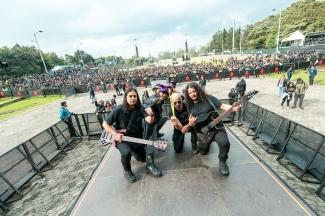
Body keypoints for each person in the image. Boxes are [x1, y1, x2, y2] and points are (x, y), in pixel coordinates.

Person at [185, 82, 241, 176]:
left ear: (198, 91)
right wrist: (191, 123)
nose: (192, 94)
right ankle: (201, 142)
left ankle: (222, 161)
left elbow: (223, 106)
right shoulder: (189, 105)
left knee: (225, 143)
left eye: (194, 91)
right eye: (190, 93)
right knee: (203, 153)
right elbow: (190, 120)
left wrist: (233, 108)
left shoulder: (209, 98)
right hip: (203, 132)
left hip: (217, 128)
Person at [102, 88, 155, 183]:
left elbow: (150, 121)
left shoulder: (140, 108)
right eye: (130, 96)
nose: (133, 98)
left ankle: (133, 151)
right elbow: (105, 123)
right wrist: (115, 134)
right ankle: (127, 170)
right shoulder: (118, 109)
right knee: (126, 152)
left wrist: (151, 114)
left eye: (135, 96)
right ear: (126, 97)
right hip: (122, 139)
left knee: (142, 159)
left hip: (136, 139)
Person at [143, 84, 173, 177]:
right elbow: (147, 101)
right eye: (162, 93)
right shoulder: (155, 98)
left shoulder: (163, 99)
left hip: (156, 120)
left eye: (165, 94)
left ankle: (156, 132)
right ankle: (149, 164)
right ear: (158, 92)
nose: (164, 95)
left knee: (164, 118)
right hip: (149, 122)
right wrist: (156, 100)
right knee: (151, 139)